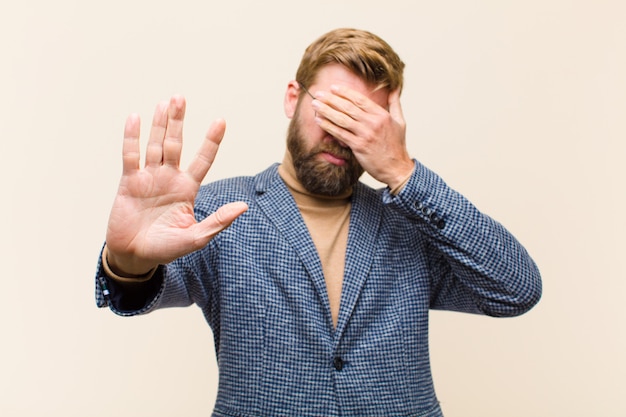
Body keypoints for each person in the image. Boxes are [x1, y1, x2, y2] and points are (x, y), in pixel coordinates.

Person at [95, 28, 542, 417]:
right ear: (293, 97)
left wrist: (403, 172)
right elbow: (136, 292)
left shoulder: (412, 220)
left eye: (364, 121)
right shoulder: (216, 209)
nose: (342, 134)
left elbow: (516, 290)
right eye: (332, 110)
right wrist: (126, 261)